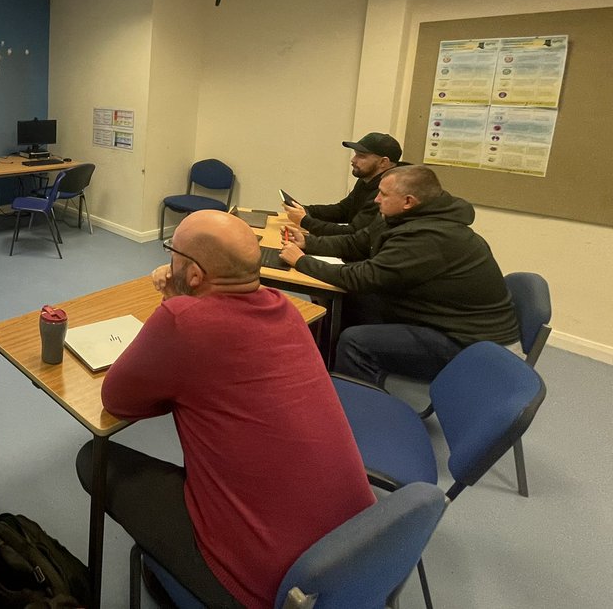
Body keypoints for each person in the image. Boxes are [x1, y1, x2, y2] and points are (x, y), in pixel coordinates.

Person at [75, 211, 375, 609]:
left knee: (91, 458)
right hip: (358, 552)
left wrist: (175, 306)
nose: (169, 262)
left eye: (173, 253)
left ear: (194, 275)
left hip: (268, 586)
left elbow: (117, 400)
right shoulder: (286, 309)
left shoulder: (183, 320)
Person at [279, 165, 519, 385]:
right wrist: (309, 243)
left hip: (465, 340)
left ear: (408, 201)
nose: (376, 199)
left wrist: (302, 262)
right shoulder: (404, 217)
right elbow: (357, 243)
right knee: (350, 301)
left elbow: (364, 277)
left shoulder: (430, 237)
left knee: (355, 341)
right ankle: (327, 371)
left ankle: (361, 405)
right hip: (437, 314)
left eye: (383, 194)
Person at [284, 132, 402, 235]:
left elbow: (353, 233)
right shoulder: (366, 179)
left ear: (383, 162)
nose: (353, 160)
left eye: (361, 156)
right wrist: (306, 210)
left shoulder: (387, 192)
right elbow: (343, 210)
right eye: (355, 154)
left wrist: (305, 221)